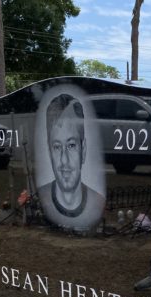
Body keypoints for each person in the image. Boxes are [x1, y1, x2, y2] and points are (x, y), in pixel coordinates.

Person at [38, 94, 104, 231]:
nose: (64, 160)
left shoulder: (98, 202)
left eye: (71, 145)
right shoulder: (38, 199)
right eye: (57, 147)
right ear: (49, 152)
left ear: (83, 150)